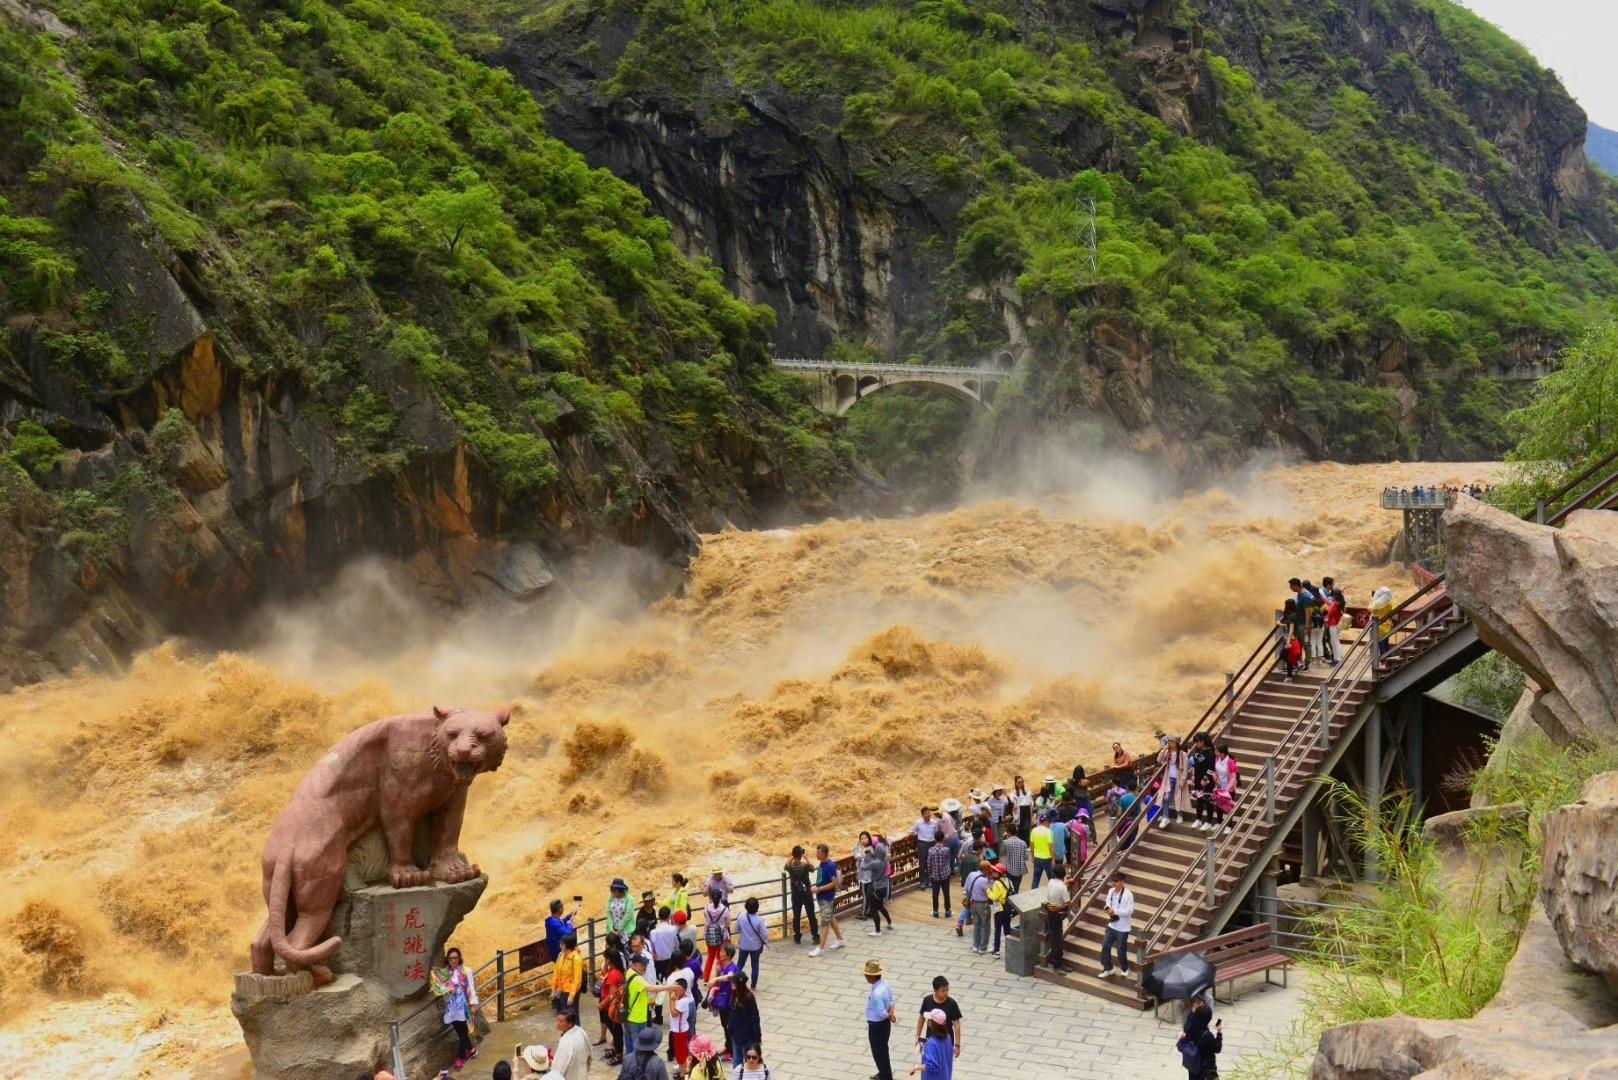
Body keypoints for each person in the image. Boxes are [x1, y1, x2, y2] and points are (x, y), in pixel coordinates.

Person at [435, 946, 480, 1069]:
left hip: (464, 1007)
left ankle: (461, 1057)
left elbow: (471, 987)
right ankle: (471, 1050)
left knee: (463, 1033)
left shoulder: (466, 971)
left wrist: (473, 1004)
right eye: (450, 959)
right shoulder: (445, 973)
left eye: (455, 958)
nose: (453, 961)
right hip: (452, 1008)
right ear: (447, 960)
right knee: (461, 1033)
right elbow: (440, 988)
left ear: (459, 958)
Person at [808, 843, 845, 956]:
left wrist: (819, 889)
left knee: (825, 922)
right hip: (822, 897)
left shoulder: (829, 866)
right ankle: (840, 940)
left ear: (824, 854)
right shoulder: (822, 863)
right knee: (830, 917)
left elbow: (834, 884)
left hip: (827, 898)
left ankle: (821, 948)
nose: (816, 854)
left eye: (818, 852)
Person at [914, 975, 963, 1059]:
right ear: (935, 990)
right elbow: (921, 1019)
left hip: (946, 1040)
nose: (946, 992)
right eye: (943, 990)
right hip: (931, 1039)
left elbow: (956, 1024)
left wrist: (957, 1045)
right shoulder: (927, 1000)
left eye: (947, 989)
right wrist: (917, 1037)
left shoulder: (952, 1003)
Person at [864, 958, 896, 1080]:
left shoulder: (876, 993)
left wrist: (888, 1015)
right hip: (885, 1025)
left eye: (867, 975)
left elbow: (881, 1013)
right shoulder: (885, 984)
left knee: (878, 1052)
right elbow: (892, 1000)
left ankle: (886, 1076)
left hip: (877, 1025)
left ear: (872, 977)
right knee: (883, 1049)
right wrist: (892, 1013)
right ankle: (883, 1073)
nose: (866, 977)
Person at [858, 831, 893, 936]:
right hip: (883, 887)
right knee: (880, 906)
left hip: (875, 888)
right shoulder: (882, 861)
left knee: (873, 909)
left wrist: (863, 856)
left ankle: (877, 931)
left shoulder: (874, 862)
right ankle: (889, 922)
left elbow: (863, 867)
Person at [784, 846, 820, 946]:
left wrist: (792, 857)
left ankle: (797, 937)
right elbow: (812, 868)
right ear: (801, 855)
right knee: (811, 915)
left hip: (795, 894)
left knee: (796, 916)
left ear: (793, 855)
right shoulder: (805, 866)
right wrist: (806, 857)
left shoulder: (790, 867)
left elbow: (785, 865)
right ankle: (816, 936)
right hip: (806, 893)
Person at [1100, 871, 1134, 979]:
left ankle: (1125, 968)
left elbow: (1129, 911)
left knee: (1120, 949)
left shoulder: (1128, 894)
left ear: (1122, 882)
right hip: (1112, 925)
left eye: (1116, 881)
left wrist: (1115, 911)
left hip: (1123, 928)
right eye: (1113, 881)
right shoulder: (1111, 891)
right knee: (1105, 945)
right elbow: (1107, 903)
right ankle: (1108, 968)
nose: (1113, 883)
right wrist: (1107, 909)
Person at [707, 943, 739, 1058]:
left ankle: (732, 1051)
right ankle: (727, 1046)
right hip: (722, 1000)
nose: (720, 953)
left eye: (722, 952)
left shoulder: (732, 967)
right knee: (725, 1025)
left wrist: (716, 978)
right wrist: (717, 971)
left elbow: (729, 977)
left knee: (729, 1026)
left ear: (728, 955)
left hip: (729, 1001)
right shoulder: (724, 966)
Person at [1180, 997, 1223, 1079]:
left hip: (1193, 1065)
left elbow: (1187, 1024)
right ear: (1209, 1018)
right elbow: (1217, 1048)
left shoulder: (1191, 1027)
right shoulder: (1207, 1036)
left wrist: (1193, 1011)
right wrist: (1219, 1034)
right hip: (1205, 1069)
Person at [724, 972, 762, 1066]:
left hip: (747, 1037)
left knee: (748, 1062)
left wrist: (757, 1038)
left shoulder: (749, 998)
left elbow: (755, 1018)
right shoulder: (734, 995)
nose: (731, 983)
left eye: (733, 982)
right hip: (735, 1035)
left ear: (739, 984)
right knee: (737, 1062)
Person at [598, 949, 627, 1066]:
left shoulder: (613, 975)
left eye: (605, 958)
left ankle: (619, 1054)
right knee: (616, 1031)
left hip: (609, 1009)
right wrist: (606, 963)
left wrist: (601, 1004)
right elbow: (603, 972)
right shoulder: (615, 971)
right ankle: (616, 1049)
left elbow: (611, 996)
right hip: (610, 1008)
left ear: (609, 959)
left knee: (616, 1032)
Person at [622, 953, 654, 1060]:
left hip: (628, 1013)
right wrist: (669, 987)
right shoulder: (638, 979)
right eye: (642, 965)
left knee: (629, 1040)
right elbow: (652, 989)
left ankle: (629, 1061)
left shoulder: (629, 972)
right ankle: (636, 1065)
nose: (645, 968)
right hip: (637, 1017)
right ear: (635, 965)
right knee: (638, 1044)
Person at [910, 1009, 953, 1080]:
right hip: (945, 1075)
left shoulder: (931, 1043)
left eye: (929, 1019)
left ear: (933, 1023)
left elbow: (932, 1066)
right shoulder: (948, 1037)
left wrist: (916, 1067)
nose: (928, 1021)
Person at [735, 896, 768, 988]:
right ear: (757, 908)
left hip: (743, 945)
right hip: (756, 947)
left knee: (740, 964)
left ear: (746, 907)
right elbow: (765, 935)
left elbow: (736, 929)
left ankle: (735, 982)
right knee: (755, 965)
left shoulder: (741, 918)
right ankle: (753, 986)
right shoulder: (760, 920)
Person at [550, 1008, 591, 1080]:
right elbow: (589, 1054)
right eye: (558, 1020)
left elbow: (560, 1066)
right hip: (581, 1072)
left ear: (570, 1024)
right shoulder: (581, 1031)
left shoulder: (566, 1042)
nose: (558, 1024)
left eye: (561, 1021)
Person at [1159, 737, 1189, 828]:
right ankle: (1165, 816)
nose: (1170, 743)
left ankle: (1179, 815)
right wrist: (1163, 750)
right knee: (1166, 797)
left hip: (1178, 779)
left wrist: (1183, 781)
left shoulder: (1182, 754)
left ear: (1177, 743)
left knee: (1178, 798)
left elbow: (1185, 769)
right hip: (1168, 778)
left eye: (1172, 742)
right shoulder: (1167, 752)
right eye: (1169, 742)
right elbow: (1159, 760)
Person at [703, 888, 732, 981]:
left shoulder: (706, 908)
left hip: (710, 935)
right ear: (720, 897)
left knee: (710, 956)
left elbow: (706, 919)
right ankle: (719, 977)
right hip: (721, 936)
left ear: (710, 897)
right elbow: (728, 923)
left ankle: (706, 978)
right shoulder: (725, 909)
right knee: (721, 957)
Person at [1045, 868, 1070, 971]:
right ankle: (1057, 963)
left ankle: (1054, 959)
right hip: (1057, 912)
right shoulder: (1063, 888)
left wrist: (1067, 883)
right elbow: (1068, 902)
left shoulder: (1051, 882)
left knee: (1054, 936)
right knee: (1057, 938)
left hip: (1050, 911)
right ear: (1064, 875)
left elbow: (1059, 887)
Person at [552, 934, 584, 1013]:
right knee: (563, 1015)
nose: (560, 945)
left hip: (570, 993)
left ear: (568, 946)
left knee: (573, 1017)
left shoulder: (576, 959)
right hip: (561, 991)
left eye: (562, 944)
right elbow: (556, 973)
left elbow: (577, 979)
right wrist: (553, 988)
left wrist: (571, 995)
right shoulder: (561, 955)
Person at [966, 861, 993, 954]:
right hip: (983, 904)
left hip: (973, 902)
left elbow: (966, 888)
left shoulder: (971, 875)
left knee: (976, 925)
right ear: (985, 869)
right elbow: (990, 893)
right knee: (985, 925)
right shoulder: (985, 880)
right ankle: (983, 947)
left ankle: (975, 946)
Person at [926, 830, 954, 918]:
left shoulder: (931, 850)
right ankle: (948, 911)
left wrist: (930, 873)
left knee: (935, 894)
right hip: (945, 875)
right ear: (943, 839)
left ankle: (935, 911)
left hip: (935, 875)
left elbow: (929, 864)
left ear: (935, 839)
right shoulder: (946, 850)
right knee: (946, 893)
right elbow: (948, 861)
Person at [987, 863, 1012, 958]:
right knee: (1007, 930)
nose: (992, 872)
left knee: (998, 930)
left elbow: (994, 897)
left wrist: (988, 890)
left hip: (999, 909)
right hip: (1007, 909)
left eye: (994, 871)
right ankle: (1010, 949)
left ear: (999, 873)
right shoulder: (1008, 881)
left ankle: (996, 951)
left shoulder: (997, 883)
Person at [650, 907, 681, 981]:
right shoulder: (674, 929)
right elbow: (677, 945)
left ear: (659, 917)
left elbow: (652, 947)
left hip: (658, 961)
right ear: (669, 916)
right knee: (671, 981)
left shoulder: (653, 932)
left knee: (659, 983)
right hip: (671, 960)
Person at [546, 898, 580, 963]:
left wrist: (569, 916)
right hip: (559, 954)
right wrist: (569, 925)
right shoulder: (554, 923)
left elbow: (561, 924)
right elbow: (567, 933)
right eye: (563, 907)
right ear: (560, 909)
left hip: (557, 952)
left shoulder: (552, 920)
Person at [1322, 576, 1346, 664]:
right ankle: (1336, 659)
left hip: (1333, 624)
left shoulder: (1335, 604)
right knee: (1335, 641)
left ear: (1334, 595)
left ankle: (1338, 659)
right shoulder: (1341, 603)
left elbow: (1329, 614)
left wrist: (1325, 622)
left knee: (1335, 642)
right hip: (1337, 624)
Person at [999, 828, 1028, 894]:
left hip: (1008, 870)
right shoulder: (1023, 843)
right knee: (1016, 888)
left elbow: (1001, 855)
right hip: (1019, 871)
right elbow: (1026, 857)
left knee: (1008, 888)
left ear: (1009, 833)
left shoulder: (1005, 842)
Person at [1029, 812, 1054, 888]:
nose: (1050, 823)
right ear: (1046, 821)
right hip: (1047, 859)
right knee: (1052, 879)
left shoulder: (1033, 830)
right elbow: (1051, 847)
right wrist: (1053, 860)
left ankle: (1033, 894)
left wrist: (1033, 857)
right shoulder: (1048, 831)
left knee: (1036, 879)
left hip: (1037, 858)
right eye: (1049, 821)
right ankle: (1053, 895)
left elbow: (1032, 846)